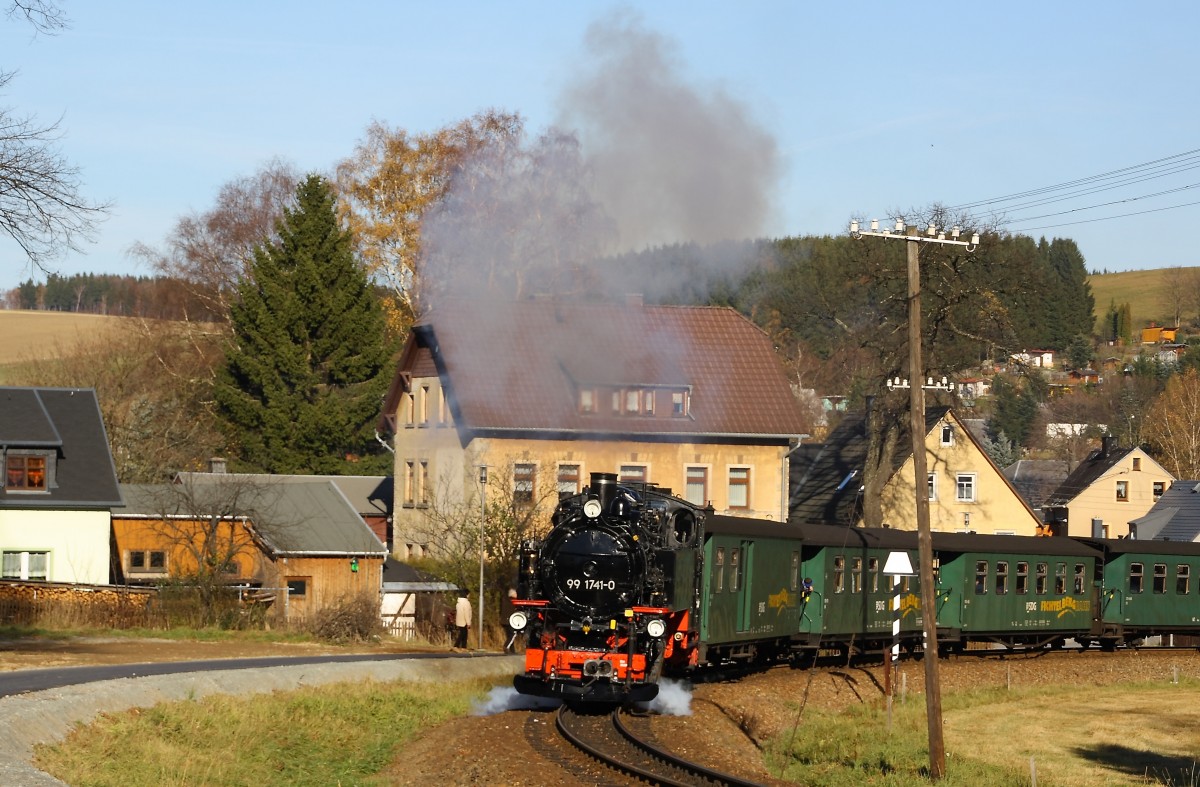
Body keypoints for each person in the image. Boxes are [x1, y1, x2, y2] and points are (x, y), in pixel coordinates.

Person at [501, 588, 519, 653]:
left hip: (504, 620)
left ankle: (512, 650)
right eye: (516, 593)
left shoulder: (505, 600)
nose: (517, 594)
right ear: (513, 594)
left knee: (509, 635)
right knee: (513, 634)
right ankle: (506, 646)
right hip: (511, 621)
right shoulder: (514, 602)